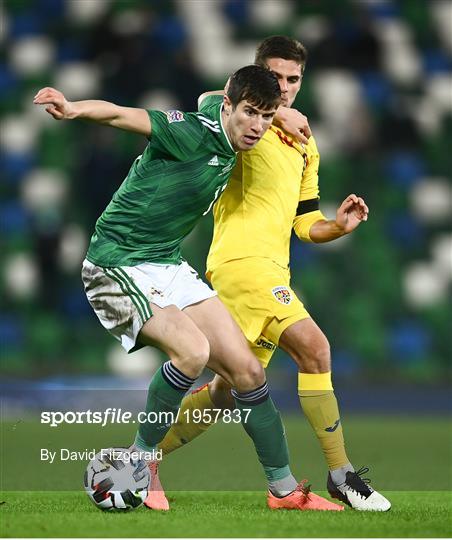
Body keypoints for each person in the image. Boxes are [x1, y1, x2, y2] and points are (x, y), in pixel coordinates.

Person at [33, 65, 342, 512]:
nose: (257, 126)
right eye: (250, 113)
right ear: (229, 108)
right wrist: (74, 108)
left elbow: (212, 94)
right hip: (116, 263)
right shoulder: (189, 131)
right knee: (193, 352)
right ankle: (139, 462)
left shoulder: (233, 122)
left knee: (249, 374)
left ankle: (284, 491)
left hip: (167, 264)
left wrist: (285, 116)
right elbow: (125, 115)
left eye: (267, 116)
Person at [155, 36, 391, 512]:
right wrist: (275, 113)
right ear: (254, 78)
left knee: (226, 391)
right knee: (315, 347)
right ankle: (341, 474)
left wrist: (338, 226)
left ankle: (143, 459)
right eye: (275, 77)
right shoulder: (244, 122)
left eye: (292, 79)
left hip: (266, 270)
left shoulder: (306, 145)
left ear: (303, 80)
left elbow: (306, 222)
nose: (283, 88)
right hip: (243, 267)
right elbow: (205, 102)